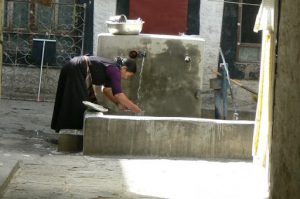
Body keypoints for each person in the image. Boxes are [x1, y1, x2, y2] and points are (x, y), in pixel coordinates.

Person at [51, 55, 142, 133]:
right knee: (79, 104)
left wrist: (118, 104)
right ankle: (70, 135)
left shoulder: (113, 68)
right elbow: (118, 94)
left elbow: (107, 90)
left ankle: (64, 131)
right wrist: (137, 110)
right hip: (77, 68)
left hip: (73, 65)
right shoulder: (115, 70)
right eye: (128, 75)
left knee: (70, 99)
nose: (126, 78)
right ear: (124, 69)